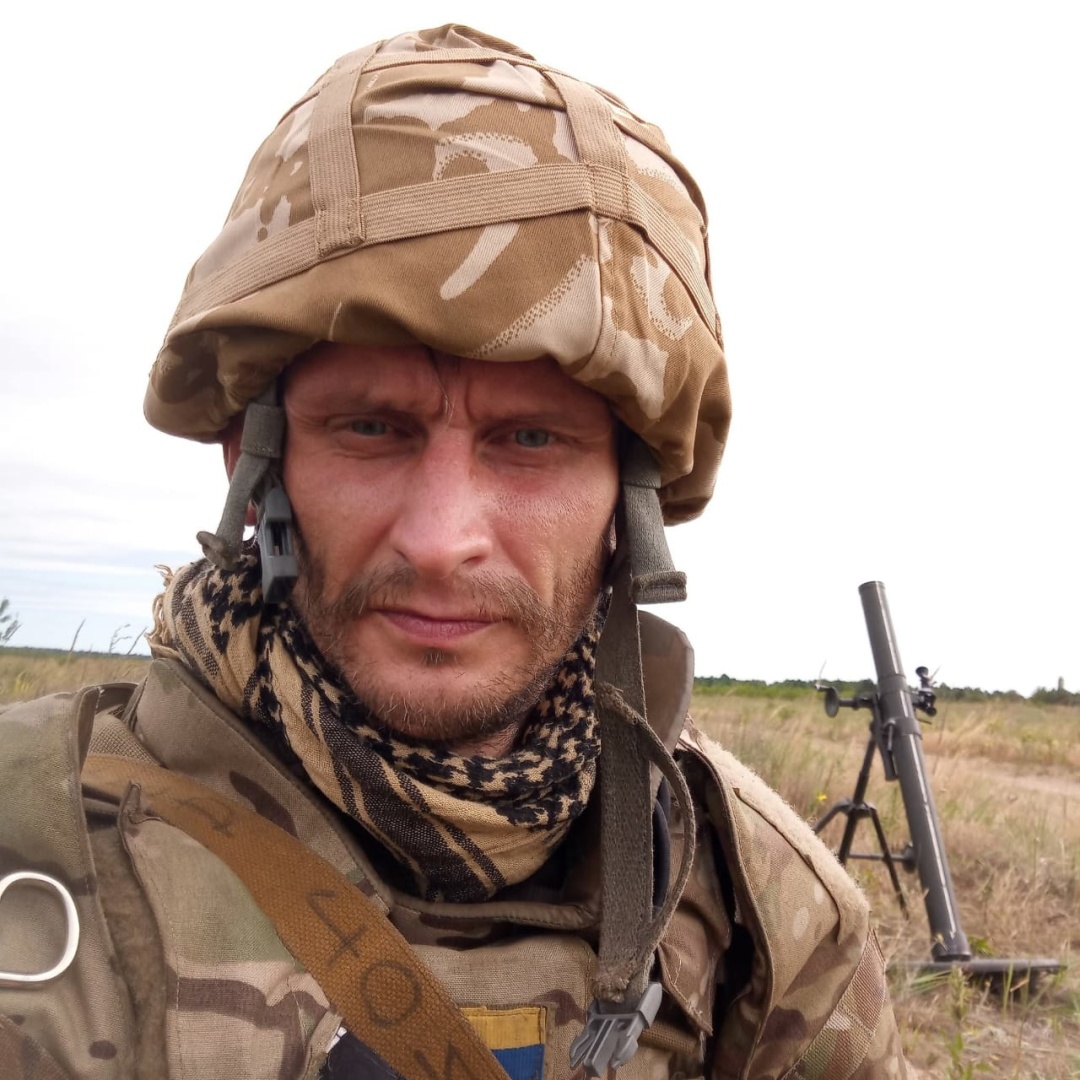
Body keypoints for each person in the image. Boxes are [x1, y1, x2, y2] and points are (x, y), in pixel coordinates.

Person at [0, 25, 907, 1080]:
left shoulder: (762, 909)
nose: (440, 541)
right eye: (371, 428)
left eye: (531, 440)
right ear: (254, 464)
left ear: (632, 503)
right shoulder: (33, 835)